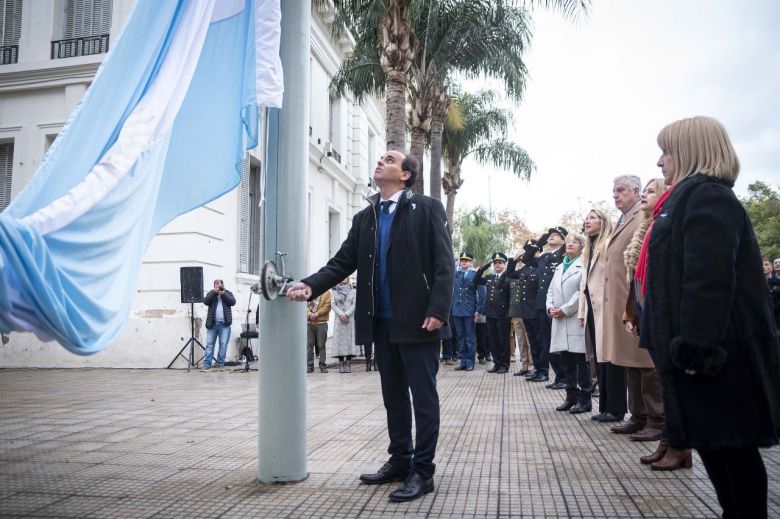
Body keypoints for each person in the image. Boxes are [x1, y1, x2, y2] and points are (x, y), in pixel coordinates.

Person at [286, 150, 454, 503]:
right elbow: (342, 262)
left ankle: (423, 471)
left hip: (420, 321)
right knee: (393, 396)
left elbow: (444, 264)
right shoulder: (366, 217)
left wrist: (439, 308)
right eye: (379, 158)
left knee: (423, 398)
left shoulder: (426, 208)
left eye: (390, 159)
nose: (380, 161)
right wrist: (310, 285)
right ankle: (400, 460)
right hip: (381, 321)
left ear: (406, 175)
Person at [644, 116, 779, 517]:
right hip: (700, 360)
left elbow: (709, 282)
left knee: (733, 455)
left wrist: (695, 351)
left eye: (666, 151)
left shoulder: (707, 197)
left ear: (688, 151)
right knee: (718, 452)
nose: (659, 161)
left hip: (717, 360)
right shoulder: (688, 197)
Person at [601, 175, 652, 432]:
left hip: (634, 299)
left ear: (636, 191)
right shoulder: (622, 219)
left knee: (643, 360)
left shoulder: (642, 217)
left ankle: (656, 418)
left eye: (620, 190)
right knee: (629, 361)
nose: (615, 195)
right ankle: (638, 416)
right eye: (613, 191)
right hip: (618, 301)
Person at [622, 178, 667, 445]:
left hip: (656, 301)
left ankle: (659, 421)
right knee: (637, 365)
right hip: (640, 299)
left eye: (651, 191)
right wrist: (631, 312)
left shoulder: (659, 224)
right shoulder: (646, 226)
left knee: (653, 368)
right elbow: (634, 276)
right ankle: (640, 415)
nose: (645, 196)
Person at [578, 209, 617, 420]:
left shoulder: (609, 243)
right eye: (586, 217)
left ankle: (615, 408)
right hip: (592, 309)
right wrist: (582, 313)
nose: (587, 220)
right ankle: (605, 407)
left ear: (603, 222)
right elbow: (584, 284)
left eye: (592, 217)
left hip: (606, 308)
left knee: (609, 358)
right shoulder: (589, 248)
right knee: (598, 359)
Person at [547, 234, 591, 413]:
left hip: (574, 317)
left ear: (581, 246)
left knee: (581, 359)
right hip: (558, 318)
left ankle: (585, 399)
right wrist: (550, 307)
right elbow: (550, 290)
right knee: (566, 359)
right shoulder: (559, 267)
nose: (570, 244)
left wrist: (564, 309)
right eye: (569, 242)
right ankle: (570, 396)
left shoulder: (584, 265)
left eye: (574, 242)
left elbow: (582, 291)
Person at [523, 227, 568, 384]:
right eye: (550, 235)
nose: (551, 237)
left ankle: (565, 377)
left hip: (558, 304)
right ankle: (554, 375)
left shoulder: (565, 255)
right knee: (547, 341)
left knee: (559, 341)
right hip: (542, 304)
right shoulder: (545, 257)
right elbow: (527, 258)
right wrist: (542, 239)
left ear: (563, 240)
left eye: (555, 235)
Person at [505, 240, 540, 377]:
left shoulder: (538, 266)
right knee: (521, 339)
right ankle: (525, 365)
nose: (526, 252)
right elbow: (509, 275)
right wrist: (513, 260)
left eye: (529, 249)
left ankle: (533, 366)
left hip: (532, 311)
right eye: (525, 249)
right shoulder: (523, 269)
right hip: (518, 311)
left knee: (531, 340)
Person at [476, 253, 511, 374]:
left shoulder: (508, 278)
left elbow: (511, 297)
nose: (497, 265)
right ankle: (496, 363)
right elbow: (476, 281)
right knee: (493, 341)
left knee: (503, 341)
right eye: (495, 263)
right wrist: (483, 268)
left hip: (502, 314)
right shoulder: (489, 277)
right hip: (490, 313)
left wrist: (508, 313)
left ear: (505, 264)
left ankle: (504, 365)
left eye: (500, 263)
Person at [451, 252, 485, 372]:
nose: (464, 262)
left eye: (466, 260)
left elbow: (482, 294)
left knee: (469, 337)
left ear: (470, 262)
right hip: (457, 310)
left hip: (469, 310)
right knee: (460, 336)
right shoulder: (455, 273)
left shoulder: (475, 274)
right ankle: (463, 361)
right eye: (462, 260)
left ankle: (470, 362)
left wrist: (478, 310)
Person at [202, 279, 236, 372]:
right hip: (212, 324)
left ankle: (220, 364)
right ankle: (207, 364)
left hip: (224, 324)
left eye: (220, 285)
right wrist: (214, 292)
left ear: (223, 285)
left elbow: (233, 302)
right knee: (209, 345)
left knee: (223, 345)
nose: (218, 287)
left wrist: (223, 294)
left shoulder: (228, 293)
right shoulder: (211, 294)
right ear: (214, 286)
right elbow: (205, 301)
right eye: (216, 285)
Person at [331, 278, 359, 373]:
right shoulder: (334, 291)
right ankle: (341, 363)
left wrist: (347, 314)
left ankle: (348, 362)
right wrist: (341, 314)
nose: (343, 279)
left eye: (345, 277)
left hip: (349, 319)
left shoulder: (353, 291)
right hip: (339, 320)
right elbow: (333, 304)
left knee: (349, 342)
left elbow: (354, 304)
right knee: (340, 342)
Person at [306, 291, 331, 373]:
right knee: (309, 346)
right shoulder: (308, 291)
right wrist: (309, 313)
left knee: (321, 345)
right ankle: (309, 366)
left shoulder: (327, 292)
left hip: (321, 322)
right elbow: (303, 303)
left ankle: (322, 365)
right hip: (309, 323)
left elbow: (327, 306)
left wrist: (317, 314)